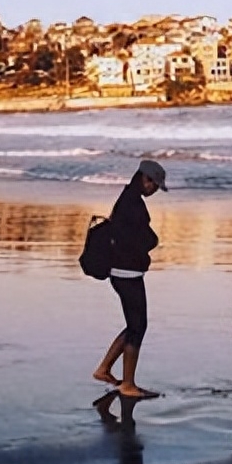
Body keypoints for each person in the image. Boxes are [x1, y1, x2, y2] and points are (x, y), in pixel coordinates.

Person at [92, 159, 166, 398]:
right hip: (127, 273)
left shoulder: (127, 199)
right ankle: (128, 384)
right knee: (138, 326)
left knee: (134, 324)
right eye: (155, 185)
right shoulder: (133, 205)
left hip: (121, 271)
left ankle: (104, 369)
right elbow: (138, 239)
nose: (155, 190)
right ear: (145, 179)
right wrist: (152, 242)